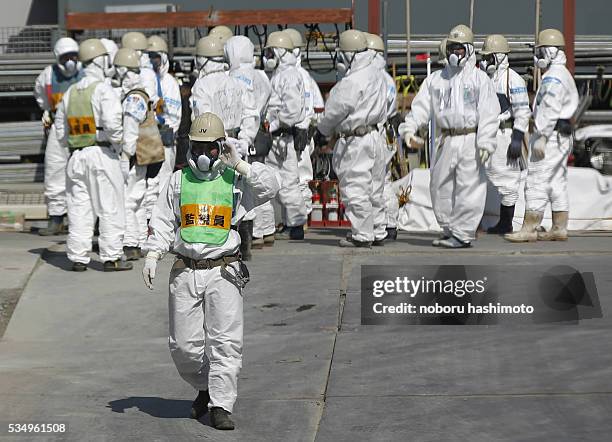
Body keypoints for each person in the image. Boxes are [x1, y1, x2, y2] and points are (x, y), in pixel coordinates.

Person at [141, 112, 280, 430]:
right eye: (198, 147)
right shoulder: (178, 181)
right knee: (184, 347)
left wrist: (241, 164)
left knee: (225, 342)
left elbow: (272, 186)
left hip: (224, 271)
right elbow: (163, 221)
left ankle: (221, 405)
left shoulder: (235, 182)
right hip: (186, 271)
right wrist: (152, 255)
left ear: (221, 147)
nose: (204, 155)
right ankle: (205, 386)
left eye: (212, 148)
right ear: (190, 146)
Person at [398, 24, 500, 248]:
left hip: (471, 140)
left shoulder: (479, 80)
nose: (456, 54)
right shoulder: (436, 80)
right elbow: (420, 108)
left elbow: (489, 113)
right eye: (453, 49)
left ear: (469, 50)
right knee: (439, 184)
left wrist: (485, 142)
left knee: (469, 186)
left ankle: (463, 234)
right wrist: (409, 129)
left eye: (460, 49)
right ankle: (449, 228)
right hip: (446, 140)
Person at [54, 39, 131, 272]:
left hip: (76, 156)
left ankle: (78, 257)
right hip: (102, 154)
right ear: (100, 60)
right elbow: (112, 123)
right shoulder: (103, 89)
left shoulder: (69, 93)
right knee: (110, 206)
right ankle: (112, 257)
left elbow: (60, 131)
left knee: (79, 208)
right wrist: (119, 142)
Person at [505, 29, 579, 242]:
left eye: (539, 52)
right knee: (556, 181)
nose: (537, 57)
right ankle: (559, 227)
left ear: (549, 52)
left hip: (550, 136)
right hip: (560, 136)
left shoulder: (553, 78)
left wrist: (543, 136)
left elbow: (549, 107)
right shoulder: (563, 74)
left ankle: (529, 228)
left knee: (537, 179)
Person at [315, 29, 387, 247]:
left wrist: (322, 131)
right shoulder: (377, 74)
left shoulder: (352, 81)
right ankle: (378, 229)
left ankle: (362, 235)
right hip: (375, 136)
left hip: (356, 141)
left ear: (349, 55)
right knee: (375, 188)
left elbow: (335, 110)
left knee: (356, 187)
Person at [225, 35, 273, 257]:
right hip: (258, 134)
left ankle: (247, 241)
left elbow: (245, 109)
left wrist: (242, 139)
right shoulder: (261, 75)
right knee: (259, 181)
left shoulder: (237, 76)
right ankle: (263, 233)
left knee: (241, 190)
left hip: (241, 138)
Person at [479, 34, 531, 235]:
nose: (484, 62)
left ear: (499, 56)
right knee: (485, 175)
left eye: (488, 57)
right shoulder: (486, 79)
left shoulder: (513, 79)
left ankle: (506, 223)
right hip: (488, 134)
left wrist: (517, 137)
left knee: (508, 180)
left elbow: (523, 111)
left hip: (505, 135)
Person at [34, 37, 83, 235]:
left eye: (73, 56)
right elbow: (41, 96)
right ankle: (56, 218)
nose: (70, 61)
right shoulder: (47, 75)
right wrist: (47, 111)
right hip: (58, 126)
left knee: (83, 174)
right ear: (57, 57)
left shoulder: (86, 73)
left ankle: (89, 221)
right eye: (65, 57)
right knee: (54, 170)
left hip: (82, 128)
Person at [263, 31, 308, 240]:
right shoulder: (281, 74)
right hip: (276, 138)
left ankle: (296, 225)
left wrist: (272, 125)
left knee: (289, 181)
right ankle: (289, 222)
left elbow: (291, 111)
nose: (267, 57)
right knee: (276, 182)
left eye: (271, 52)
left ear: (280, 52)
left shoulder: (288, 76)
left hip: (282, 138)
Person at [284, 28, 325, 222]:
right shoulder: (305, 77)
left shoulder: (296, 76)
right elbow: (318, 108)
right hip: (302, 135)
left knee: (297, 178)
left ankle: (300, 220)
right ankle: (299, 218)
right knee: (298, 178)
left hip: (296, 136)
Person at [141, 35, 183, 223]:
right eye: (149, 57)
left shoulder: (169, 83)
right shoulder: (145, 79)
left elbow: (174, 115)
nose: (153, 61)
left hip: (165, 141)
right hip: (148, 140)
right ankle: (150, 221)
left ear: (164, 58)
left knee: (164, 183)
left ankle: (163, 223)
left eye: (156, 57)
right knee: (149, 184)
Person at [365, 32, 401, 242]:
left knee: (378, 181)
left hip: (378, 133)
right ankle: (388, 223)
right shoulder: (385, 78)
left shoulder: (377, 78)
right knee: (382, 180)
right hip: (384, 133)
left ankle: (385, 224)